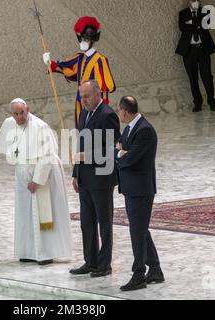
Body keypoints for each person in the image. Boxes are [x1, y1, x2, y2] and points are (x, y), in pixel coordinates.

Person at [0, 98, 72, 265]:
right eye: (15, 114)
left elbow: (47, 156)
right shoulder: (9, 124)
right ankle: (29, 251)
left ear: (28, 110)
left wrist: (37, 180)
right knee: (25, 213)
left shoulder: (40, 127)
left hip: (43, 174)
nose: (19, 117)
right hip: (22, 173)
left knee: (43, 214)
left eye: (22, 113)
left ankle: (46, 253)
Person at [70, 80, 120, 277]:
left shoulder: (107, 115)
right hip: (85, 178)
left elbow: (113, 148)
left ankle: (104, 264)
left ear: (98, 94)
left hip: (101, 178)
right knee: (87, 223)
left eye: (87, 96)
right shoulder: (83, 113)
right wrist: (76, 172)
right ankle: (90, 261)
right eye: (81, 96)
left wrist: (88, 157)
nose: (83, 100)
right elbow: (80, 147)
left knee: (104, 223)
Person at [115, 96, 164, 291]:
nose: (119, 113)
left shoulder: (144, 130)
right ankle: (155, 270)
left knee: (137, 231)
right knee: (141, 229)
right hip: (131, 188)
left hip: (141, 189)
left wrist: (122, 153)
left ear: (125, 111)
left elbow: (130, 159)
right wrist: (121, 152)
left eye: (119, 110)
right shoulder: (129, 129)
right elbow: (118, 149)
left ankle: (138, 275)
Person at [43, 16, 116, 128]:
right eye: (82, 39)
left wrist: (102, 113)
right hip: (80, 104)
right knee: (82, 136)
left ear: (92, 40)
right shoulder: (81, 58)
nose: (83, 42)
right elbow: (70, 71)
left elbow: (104, 89)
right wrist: (50, 63)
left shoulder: (100, 60)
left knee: (95, 137)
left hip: (94, 106)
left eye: (86, 39)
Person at [175, 0, 215, 112]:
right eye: (192, 0)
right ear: (188, 2)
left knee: (207, 77)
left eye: (197, 0)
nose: (195, 2)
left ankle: (211, 102)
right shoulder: (183, 13)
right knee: (193, 79)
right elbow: (182, 27)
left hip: (203, 50)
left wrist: (191, 23)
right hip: (189, 51)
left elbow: (207, 26)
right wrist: (196, 25)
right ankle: (197, 103)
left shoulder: (205, 11)